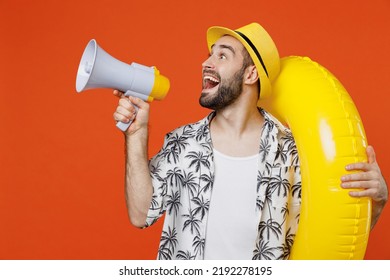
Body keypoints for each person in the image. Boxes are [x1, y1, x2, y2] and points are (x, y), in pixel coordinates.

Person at [112, 23, 388, 260]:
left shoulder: (294, 154)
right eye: (209, 55)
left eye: (222, 56)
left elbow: (329, 240)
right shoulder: (182, 144)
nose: (206, 63)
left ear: (250, 74)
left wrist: (375, 204)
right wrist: (136, 135)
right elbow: (140, 215)